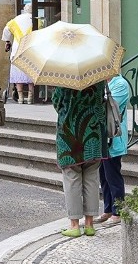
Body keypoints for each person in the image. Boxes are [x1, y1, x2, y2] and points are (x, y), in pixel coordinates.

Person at [52, 81, 108, 237]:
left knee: (72, 178)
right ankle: (89, 224)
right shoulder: (98, 78)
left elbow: (57, 104)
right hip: (94, 134)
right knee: (92, 178)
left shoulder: (63, 79)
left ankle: (75, 225)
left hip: (70, 137)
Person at [97, 75, 130, 226]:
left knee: (113, 175)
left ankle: (118, 211)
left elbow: (108, 105)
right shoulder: (103, 83)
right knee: (103, 175)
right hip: (102, 137)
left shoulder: (120, 84)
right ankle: (108, 208)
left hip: (114, 137)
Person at [2, 3, 35, 104]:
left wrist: (7, 41)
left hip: (17, 50)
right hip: (31, 50)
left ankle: (20, 97)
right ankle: (30, 97)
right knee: (31, 74)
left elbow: (7, 29)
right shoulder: (35, 19)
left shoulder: (17, 19)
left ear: (25, 9)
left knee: (18, 74)